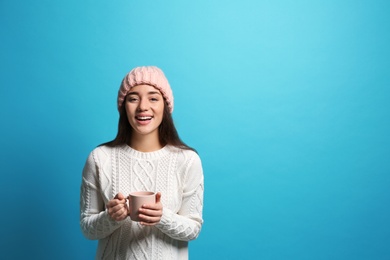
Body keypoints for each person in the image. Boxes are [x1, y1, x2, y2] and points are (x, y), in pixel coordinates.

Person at [80, 66, 204, 260]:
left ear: (165, 105)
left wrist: (163, 217)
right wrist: (111, 217)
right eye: (133, 98)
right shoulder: (99, 158)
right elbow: (88, 229)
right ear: (123, 106)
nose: (143, 107)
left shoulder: (187, 160)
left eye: (153, 98)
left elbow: (193, 228)